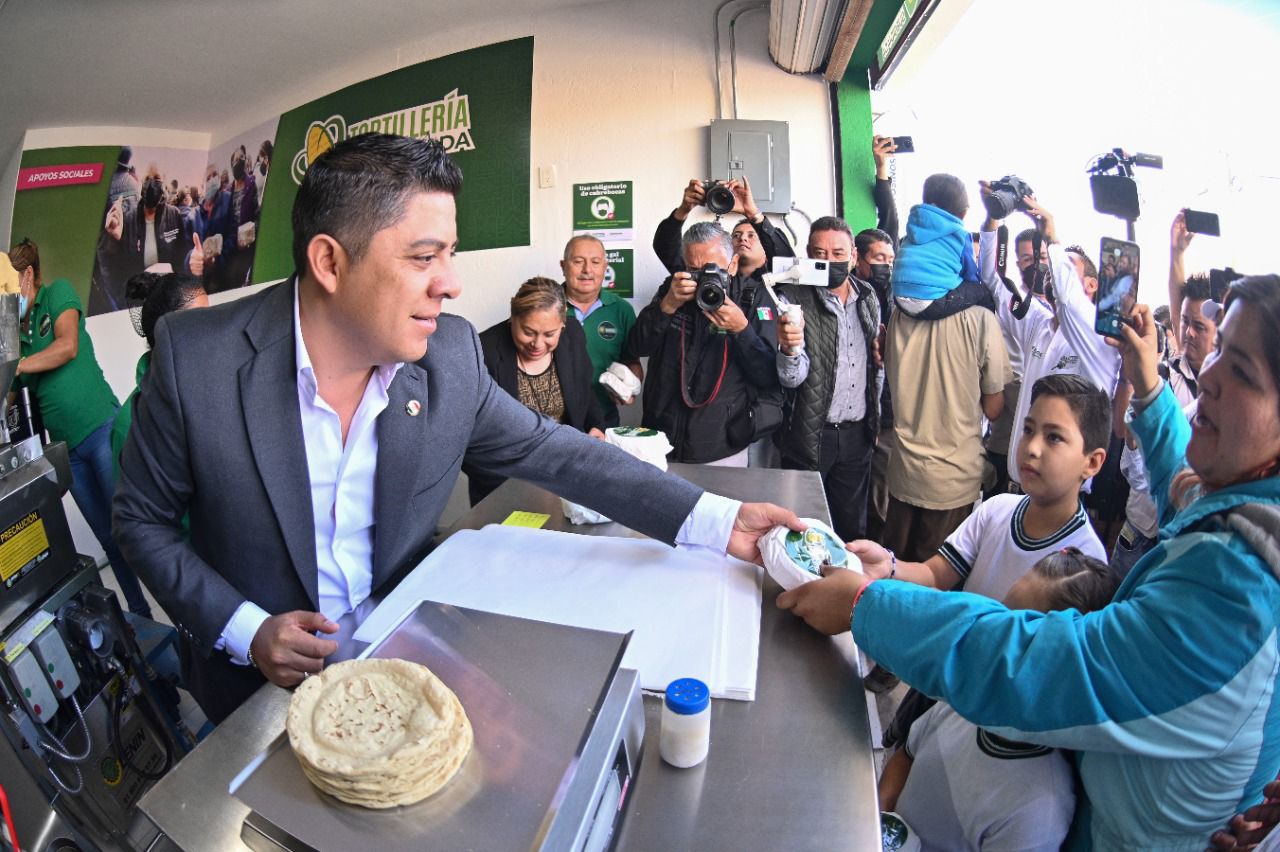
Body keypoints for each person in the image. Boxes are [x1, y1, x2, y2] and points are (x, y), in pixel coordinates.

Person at [113, 133, 800, 723]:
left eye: (450, 255)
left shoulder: (448, 354)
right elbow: (140, 522)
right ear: (329, 262)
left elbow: (552, 450)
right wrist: (245, 628)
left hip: (413, 672)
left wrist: (716, 520)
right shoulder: (196, 358)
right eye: (423, 257)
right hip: (258, 700)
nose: (450, 285)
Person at [779, 279, 1280, 848]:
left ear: (1093, 463)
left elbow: (1035, 663)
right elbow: (1180, 490)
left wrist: (867, 606)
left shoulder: (1235, 587)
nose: (1208, 377)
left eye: (1240, 371)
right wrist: (1148, 388)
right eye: (1218, 353)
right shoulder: (1240, 510)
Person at [872, 373, 1110, 745]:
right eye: (1029, 429)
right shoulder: (998, 509)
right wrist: (886, 566)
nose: (1031, 447)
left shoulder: (1086, 563)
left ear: (1092, 463)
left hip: (997, 727)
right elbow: (936, 575)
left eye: (1054, 437)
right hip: (942, 688)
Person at [878, 548, 1119, 852]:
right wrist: (880, 826)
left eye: (1015, 634)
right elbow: (906, 756)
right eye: (1000, 617)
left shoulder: (1039, 810)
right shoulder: (971, 699)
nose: (993, 637)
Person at [6, 241, 153, 619]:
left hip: (100, 429)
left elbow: (68, 346)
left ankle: (184, 616)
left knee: (135, 531)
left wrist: (19, 364)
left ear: (26, 276)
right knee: (110, 540)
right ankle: (139, 617)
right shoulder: (16, 337)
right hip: (68, 451)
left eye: (7, 290)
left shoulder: (58, 294)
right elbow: (13, 399)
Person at [977, 187, 1121, 492]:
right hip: (1018, 488)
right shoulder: (1040, 324)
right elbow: (992, 280)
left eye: (1062, 268)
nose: (1050, 273)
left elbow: (1069, 301)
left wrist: (1051, 235)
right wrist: (993, 217)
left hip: (1060, 496)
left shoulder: (1099, 343)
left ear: (1092, 285)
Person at [628, 222, 783, 466]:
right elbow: (637, 347)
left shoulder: (754, 298)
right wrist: (666, 306)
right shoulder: (673, 289)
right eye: (693, 269)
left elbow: (768, 376)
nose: (703, 278)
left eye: (712, 269)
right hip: (660, 442)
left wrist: (741, 329)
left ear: (732, 264)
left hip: (721, 447)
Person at [773, 216, 882, 540]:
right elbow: (791, 380)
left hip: (857, 436)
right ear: (807, 255)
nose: (829, 261)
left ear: (853, 257)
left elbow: (876, 367)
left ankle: (847, 591)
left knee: (851, 532)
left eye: (838, 253)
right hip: (808, 436)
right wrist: (790, 349)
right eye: (819, 253)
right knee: (802, 531)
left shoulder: (869, 297)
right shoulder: (792, 298)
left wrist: (873, 423)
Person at [464, 277, 607, 504]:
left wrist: (596, 426)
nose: (538, 344)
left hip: (567, 478)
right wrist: (515, 483)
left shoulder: (573, 335)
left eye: (550, 334)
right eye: (528, 332)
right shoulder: (483, 350)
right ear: (513, 317)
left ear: (562, 322)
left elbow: (583, 390)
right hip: (505, 486)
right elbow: (468, 437)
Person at [111, 271, 209, 476]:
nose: (213, 331)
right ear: (167, 334)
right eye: (201, 322)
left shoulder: (214, 384)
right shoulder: (131, 426)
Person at [560, 234, 642, 427]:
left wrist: (631, 386)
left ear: (605, 267)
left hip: (604, 419)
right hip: (553, 421)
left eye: (595, 262)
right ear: (563, 266)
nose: (587, 270)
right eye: (578, 261)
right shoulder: (546, 305)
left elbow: (632, 362)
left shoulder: (621, 310)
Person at [96, 172, 204, 313]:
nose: (152, 185)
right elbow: (114, 277)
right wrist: (112, 241)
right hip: (140, 306)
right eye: (147, 179)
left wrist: (191, 261)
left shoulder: (174, 215)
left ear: (163, 185)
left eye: (157, 180)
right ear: (141, 183)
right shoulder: (127, 221)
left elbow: (182, 258)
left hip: (169, 302)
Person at [651, 176, 794, 280]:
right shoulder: (699, 276)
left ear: (766, 249)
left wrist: (752, 213)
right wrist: (683, 209)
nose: (742, 238)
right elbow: (665, 247)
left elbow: (787, 260)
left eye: (751, 235)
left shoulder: (773, 279)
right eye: (736, 235)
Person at [889, 174, 991, 320]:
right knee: (982, 292)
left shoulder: (913, 227)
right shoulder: (961, 235)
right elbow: (970, 275)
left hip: (898, 297)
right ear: (963, 212)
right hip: (931, 302)